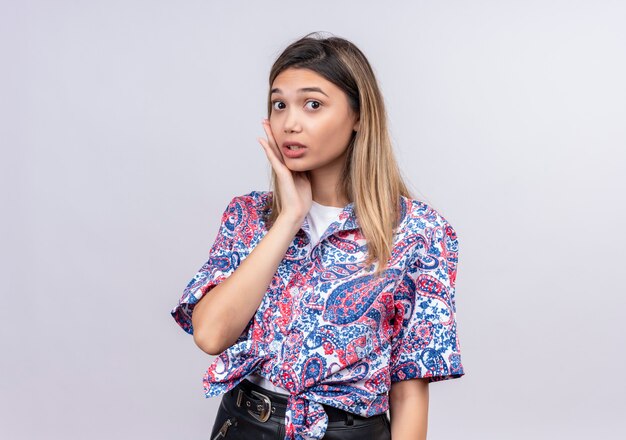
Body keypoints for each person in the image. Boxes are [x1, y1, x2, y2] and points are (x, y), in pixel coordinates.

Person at [171, 31, 465, 440]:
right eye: (279, 104)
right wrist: (289, 218)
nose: (290, 123)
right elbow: (210, 335)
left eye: (313, 105)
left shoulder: (419, 232)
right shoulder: (250, 216)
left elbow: (410, 386)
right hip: (245, 426)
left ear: (359, 116)